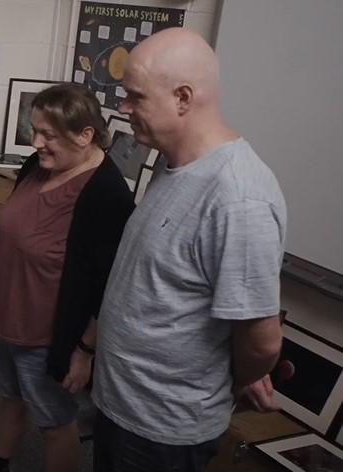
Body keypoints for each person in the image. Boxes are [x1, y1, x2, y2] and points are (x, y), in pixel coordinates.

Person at [92, 28, 286, 472]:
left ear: (183, 98)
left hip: (163, 429)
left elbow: (261, 342)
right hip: (123, 404)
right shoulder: (173, 160)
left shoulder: (239, 199)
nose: (122, 108)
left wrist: (220, 382)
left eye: (134, 97)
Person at [0, 83, 134, 472]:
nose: (37, 142)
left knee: (54, 421)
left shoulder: (106, 195)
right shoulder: (37, 165)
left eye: (48, 134)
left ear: (85, 135)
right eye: (35, 130)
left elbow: (108, 286)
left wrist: (84, 351)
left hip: (49, 336)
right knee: (11, 397)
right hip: (10, 318)